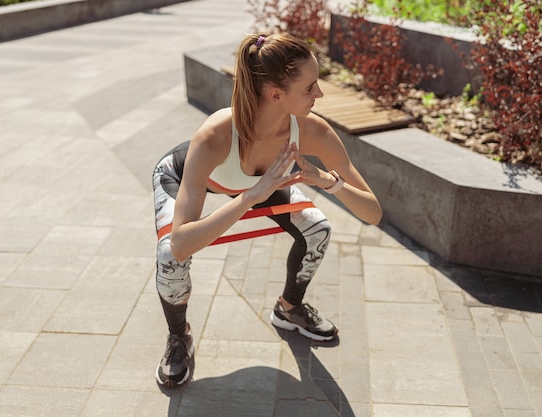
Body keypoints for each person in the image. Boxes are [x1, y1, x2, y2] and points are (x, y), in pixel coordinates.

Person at [152, 33, 382, 387]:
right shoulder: (214, 135)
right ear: (276, 94)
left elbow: (373, 213)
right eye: (310, 88)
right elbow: (182, 244)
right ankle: (178, 335)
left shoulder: (312, 132)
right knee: (169, 255)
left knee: (317, 229)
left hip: (259, 185)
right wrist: (250, 197)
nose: (319, 95)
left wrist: (326, 181)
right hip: (184, 176)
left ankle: (289, 309)